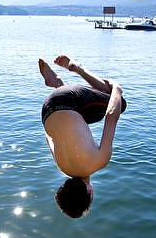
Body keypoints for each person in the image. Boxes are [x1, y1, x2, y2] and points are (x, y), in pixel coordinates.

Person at [38, 55, 126, 218]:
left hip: (68, 100)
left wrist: (117, 89)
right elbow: (49, 137)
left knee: (119, 102)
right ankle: (56, 83)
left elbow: (112, 115)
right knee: (80, 118)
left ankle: (76, 67)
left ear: (90, 194)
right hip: (47, 109)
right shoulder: (61, 165)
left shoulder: (99, 161)